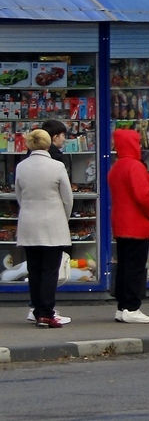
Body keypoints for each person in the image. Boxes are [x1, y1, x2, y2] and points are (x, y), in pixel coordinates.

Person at [15, 129, 72, 328]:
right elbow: (67, 198)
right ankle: (47, 313)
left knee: (35, 269)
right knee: (50, 270)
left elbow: (19, 195)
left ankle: (37, 310)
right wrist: (63, 218)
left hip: (29, 224)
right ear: (48, 144)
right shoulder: (57, 166)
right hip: (52, 224)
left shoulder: (21, 167)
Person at [109, 128, 149, 324]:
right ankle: (132, 307)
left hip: (122, 223)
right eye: (138, 142)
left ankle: (123, 306)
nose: (140, 146)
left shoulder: (117, 166)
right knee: (136, 267)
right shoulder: (135, 166)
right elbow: (143, 196)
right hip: (137, 223)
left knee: (125, 265)